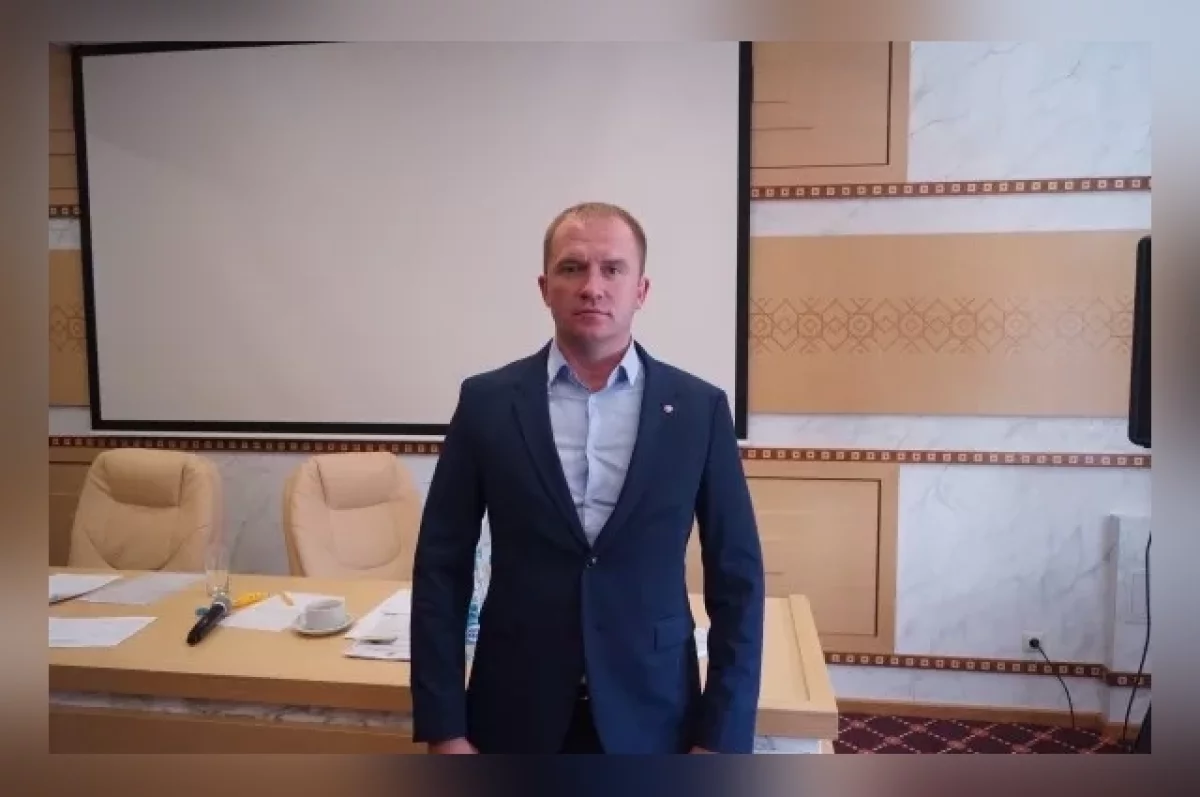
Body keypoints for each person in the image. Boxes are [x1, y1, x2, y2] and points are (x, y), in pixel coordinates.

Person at [410, 201, 765, 754]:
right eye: (572, 268)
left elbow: (737, 578)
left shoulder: (699, 409)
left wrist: (721, 737)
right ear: (545, 287)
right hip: (513, 709)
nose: (592, 287)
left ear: (641, 290)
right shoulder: (486, 403)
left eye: (612, 269)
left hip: (654, 712)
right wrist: (444, 728)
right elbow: (440, 567)